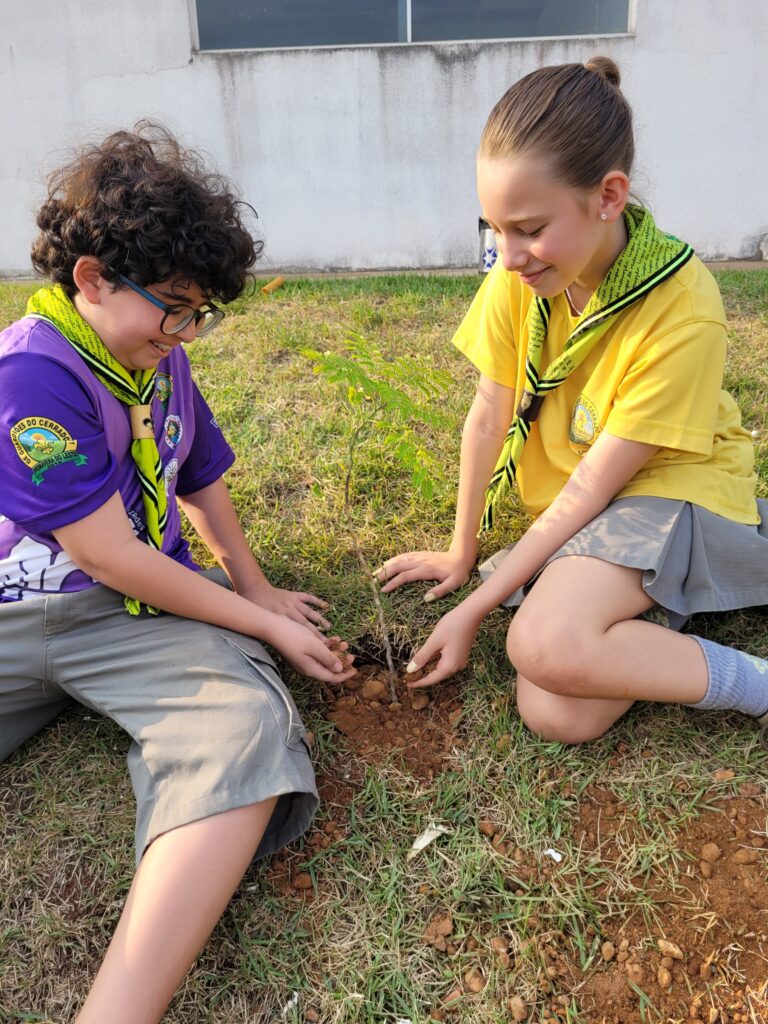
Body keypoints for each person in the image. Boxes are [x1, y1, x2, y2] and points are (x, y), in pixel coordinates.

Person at [0, 123, 355, 1024]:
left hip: (132, 622)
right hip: (23, 607)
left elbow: (196, 472)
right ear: (89, 279)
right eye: (173, 305)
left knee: (243, 733)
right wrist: (260, 625)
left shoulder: (162, 358)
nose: (188, 328)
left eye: (201, 310)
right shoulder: (30, 377)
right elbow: (108, 553)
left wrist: (254, 584)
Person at [376, 58, 768, 746]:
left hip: (668, 486)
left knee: (545, 642)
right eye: (493, 229)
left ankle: (754, 679)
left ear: (609, 196)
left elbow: (593, 488)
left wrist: (474, 609)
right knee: (559, 712)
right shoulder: (523, 277)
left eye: (527, 227)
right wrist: (460, 550)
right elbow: (489, 412)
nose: (509, 254)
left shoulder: (681, 303)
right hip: (597, 505)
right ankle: (639, 608)